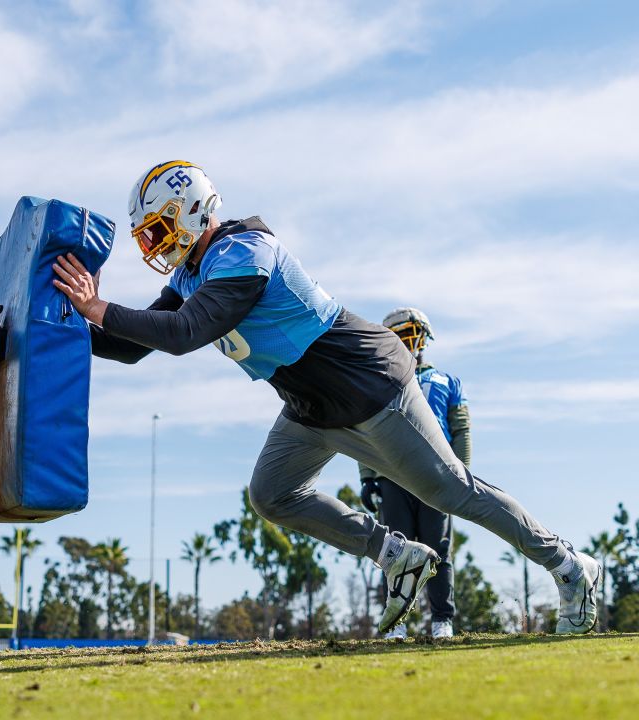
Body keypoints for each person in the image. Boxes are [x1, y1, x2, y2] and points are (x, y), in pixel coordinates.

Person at [51, 160, 601, 636]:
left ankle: (571, 566)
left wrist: (98, 306)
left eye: (158, 229)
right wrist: (63, 325)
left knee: (452, 491)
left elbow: (181, 334)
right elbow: (132, 346)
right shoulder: (193, 272)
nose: (153, 245)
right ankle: (395, 554)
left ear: (193, 209)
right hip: (310, 404)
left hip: (368, 384)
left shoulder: (245, 250)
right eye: (146, 236)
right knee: (272, 493)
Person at [359, 308, 467, 639]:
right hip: (393, 475)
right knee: (394, 552)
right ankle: (397, 621)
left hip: (437, 474)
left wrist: (461, 474)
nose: (406, 343)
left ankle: (442, 620)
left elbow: (460, 429)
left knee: (439, 549)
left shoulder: (447, 381)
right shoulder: (378, 381)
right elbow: (364, 430)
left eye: (409, 335)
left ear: (421, 338)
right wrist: (367, 477)